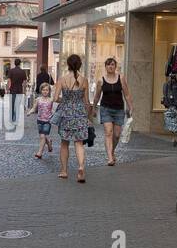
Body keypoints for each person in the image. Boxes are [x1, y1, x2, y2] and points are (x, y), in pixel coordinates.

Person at [54, 53, 92, 183]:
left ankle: (64, 171)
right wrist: (89, 117)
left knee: (64, 143)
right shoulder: (84, 80)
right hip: (80, 113)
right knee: (79, 142)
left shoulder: (62, 79)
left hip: (66, 113)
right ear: (79, 65)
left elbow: (55, 98)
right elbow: (87, 101)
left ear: (68, 65)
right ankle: (81, 167)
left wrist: (65, 100)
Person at [96, 57, 131, 166]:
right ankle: (110, 158)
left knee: (116, 135)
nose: (110, 66)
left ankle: (112, 151)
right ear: (105, 67)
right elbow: (97, 96)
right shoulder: (101, 80)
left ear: (115, 67)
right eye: (108, 65)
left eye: (112, 65)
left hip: (119, 109)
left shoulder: (121, 78)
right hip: (105, 109)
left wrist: (130, 106)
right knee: (108, 132)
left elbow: (127, 94)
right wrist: (93, 109)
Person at [27, 82, 55, 158]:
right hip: (39, 120)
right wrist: (30, 112)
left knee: (42, 136)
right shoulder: (38, 99)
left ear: (49, 91)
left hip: (47, 121)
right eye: (43, 90)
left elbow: (55, 106)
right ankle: (49, 144)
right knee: (43, 136)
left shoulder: (51, 100)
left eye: (47, 90)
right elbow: (34, 108)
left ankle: (39, 153)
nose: (45, 91)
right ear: (41, 90)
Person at [6, 58, 28, 126]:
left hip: (12, 90)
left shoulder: (11, 71)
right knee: (17, 106)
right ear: (20, 63)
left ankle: (12, 119)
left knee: (12, 105)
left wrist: (7, 89)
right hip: (19, 91)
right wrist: (24, 91)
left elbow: (9, 81)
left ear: (14, 63)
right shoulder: (23, 72)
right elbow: (24, 82)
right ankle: (16, 120)